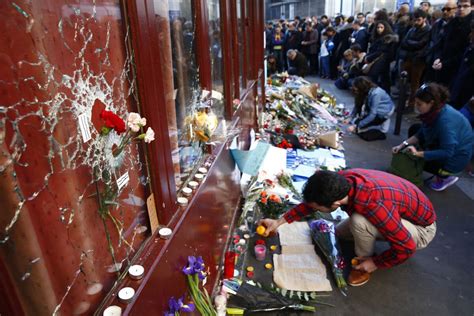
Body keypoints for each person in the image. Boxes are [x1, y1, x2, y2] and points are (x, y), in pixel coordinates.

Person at [259, 169, 437, 287]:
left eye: (320, 208)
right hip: (398, 211)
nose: (316, 209)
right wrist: (279, 221)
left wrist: (375, 263)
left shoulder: (372, 205)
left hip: (421, 230)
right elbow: (313, 204)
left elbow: (406, 248)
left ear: (336, 203)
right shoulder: (340, 181)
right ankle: (366, 246)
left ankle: (363, 264)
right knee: (339, 233)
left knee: (359, 222)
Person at [392, 83, 473, 191]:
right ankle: (427, 155)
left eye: (419, 104)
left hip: (455, 159)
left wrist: (418, 154)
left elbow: (448, 152)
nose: (416, 106)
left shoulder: (444, 123)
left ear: (431, 103)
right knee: (415, 128)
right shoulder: (436, 110)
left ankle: (445, 177)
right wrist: (403, 144)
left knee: (414, 158)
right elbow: (422, 131)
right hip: (452, 144)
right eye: (416, 102)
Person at [399, 9, 432, 109]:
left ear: (424, 19)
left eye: (418, 20)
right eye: (415, 20)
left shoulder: (428, 30)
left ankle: (411, 104)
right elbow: (404, 42)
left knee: (415, 84)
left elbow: (422, 44)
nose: (416, 22)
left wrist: (411, 43)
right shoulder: (412, 29)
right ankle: (402, 103)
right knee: (403, 82)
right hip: (408, 58)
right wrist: (414, 44)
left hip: (418, 60)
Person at [346, 76, 395, 141]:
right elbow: (357, 105)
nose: (354, 89)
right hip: (374, 110)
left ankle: (384, 120)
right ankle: (376, 123)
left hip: (383, 112)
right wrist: (350, 117)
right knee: (356, 122)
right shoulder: (366, 91)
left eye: (356, 88)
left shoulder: (376, 94)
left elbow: (372, 114)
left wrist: (356, 126)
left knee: (362, 131)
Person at [364, 20, 398, 93]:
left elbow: (380, 51)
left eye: (381, 27)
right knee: (384, 78)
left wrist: (368, 57)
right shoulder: (377, 38)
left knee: (379, 78)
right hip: (379, 60)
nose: (379, 29)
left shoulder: (387, 39)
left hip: (381, 60)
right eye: (378, 27)